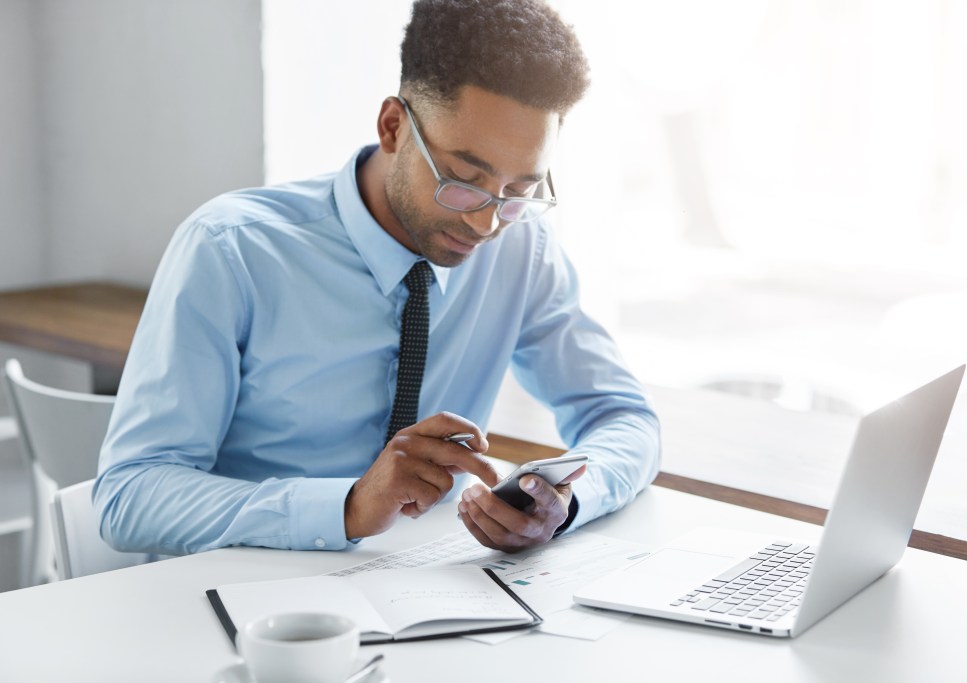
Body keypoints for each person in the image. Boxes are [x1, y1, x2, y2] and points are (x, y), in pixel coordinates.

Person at [94, 0, 660, 556]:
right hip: (244, 607)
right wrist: (346, 507)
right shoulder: (232, 249)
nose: (487, 222)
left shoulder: (522, 249)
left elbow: (624, 419)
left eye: (519, 192)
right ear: (393, 127)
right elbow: (131, 496)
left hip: (425, 594)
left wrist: (566, 503)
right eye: (464, 179)